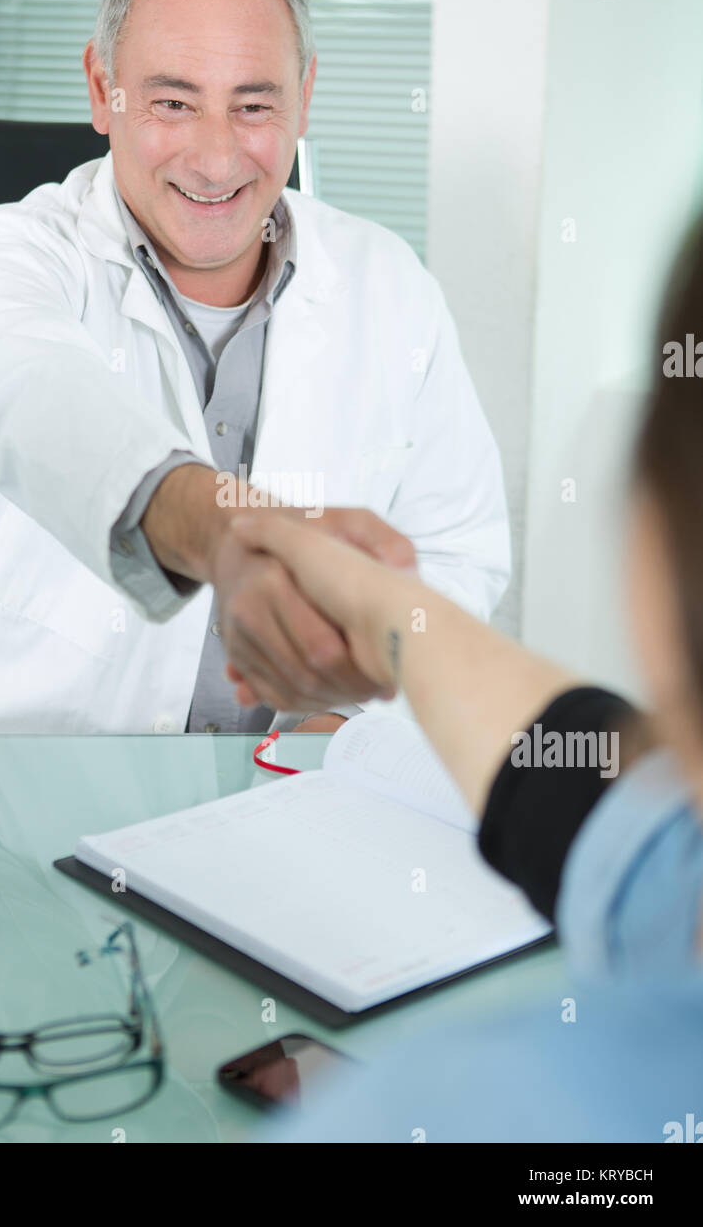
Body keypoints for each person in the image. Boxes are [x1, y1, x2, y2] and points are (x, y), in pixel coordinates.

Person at [0, 0, 509, 736]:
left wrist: (342, 711)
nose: (217, 159)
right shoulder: (0, 256)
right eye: (173, 102)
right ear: (100, 87)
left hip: (301, 796)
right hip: (14, 781)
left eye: (253, 104)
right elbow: (27, 393)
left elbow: (457, 554)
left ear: (305, 97)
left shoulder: (389, 282)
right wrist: (227, 533)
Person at [226, 213, 703, 1142]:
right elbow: (594, 799)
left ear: (644, 552)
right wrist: (374, 604)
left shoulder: (439, 1114)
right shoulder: (667, 853)